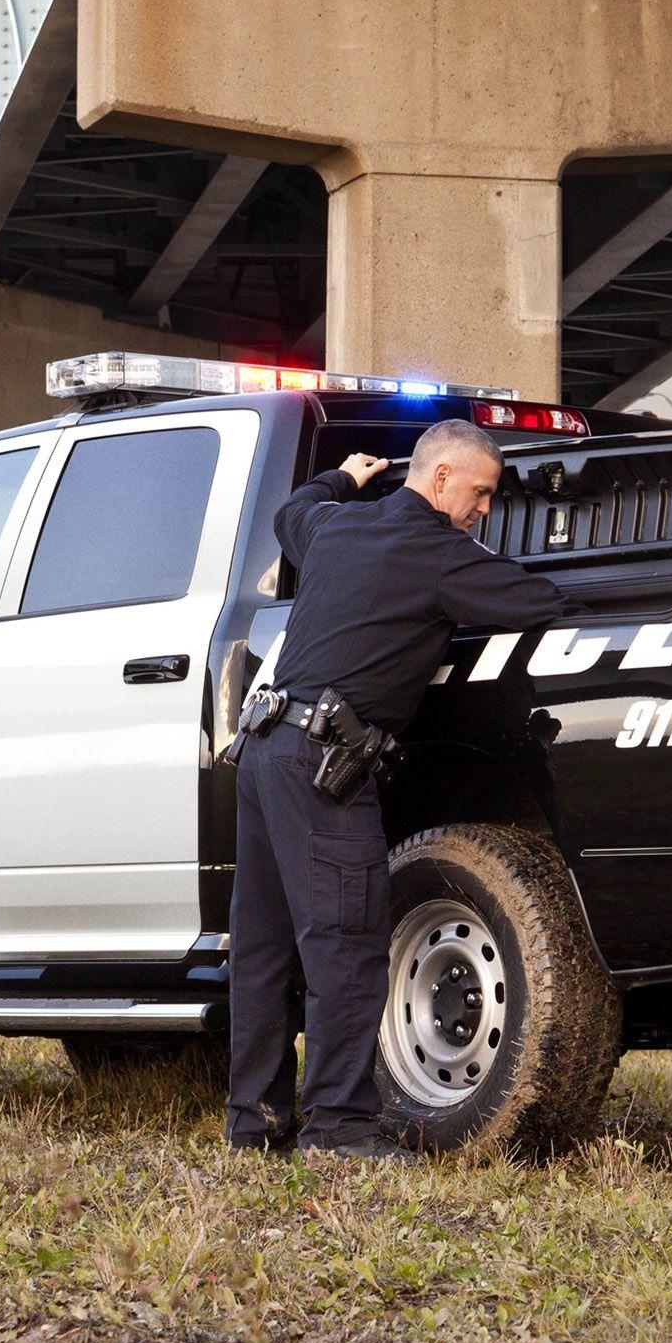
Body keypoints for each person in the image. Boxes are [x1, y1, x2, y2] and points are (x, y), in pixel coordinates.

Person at [226, 418, 575, 1160]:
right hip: (325, 767)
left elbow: (293, 512)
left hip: (264, 753)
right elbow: (536, 602)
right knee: (348, 948)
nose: (483, 509)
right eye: (479, 492)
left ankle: (254, 1124)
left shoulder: (336, 528)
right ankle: (340, 1128)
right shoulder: (437, 552)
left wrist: (344, 476)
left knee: (262, 952)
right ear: (441, 476)